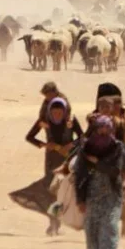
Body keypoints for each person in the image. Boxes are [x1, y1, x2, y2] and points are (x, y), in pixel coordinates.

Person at [74, 115, 125, 249]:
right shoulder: (85, 149)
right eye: (100, 128)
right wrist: (80, 199)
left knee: (110, 227)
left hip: (112, 194)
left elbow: (115, 171)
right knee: (92, 230)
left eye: (107, 128)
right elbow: (80, 174)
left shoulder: (117, 148)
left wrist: (97, 163)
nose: (103, 132)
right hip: (91, 194)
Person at [25, 98, 84, 235]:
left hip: (68, 159)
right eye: (54, 112)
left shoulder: (71, 121)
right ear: (50, 112)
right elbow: (30, 137)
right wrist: (45, 145)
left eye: (60, 112)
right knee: (52, 191)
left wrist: (71, 145)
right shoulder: (44, 121)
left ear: (64, 111)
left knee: (68, 190)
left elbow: (82, 137)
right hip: (52, 160)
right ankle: (54, 223)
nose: (57, 115)